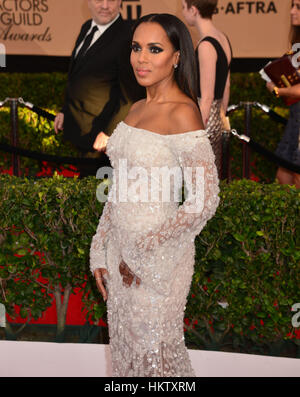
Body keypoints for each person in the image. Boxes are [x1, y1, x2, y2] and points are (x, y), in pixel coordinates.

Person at [89, 13, 220, 377]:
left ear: (177, 57)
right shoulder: (136, 109)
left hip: (160, 260)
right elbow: (119, 190)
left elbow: (203, 200)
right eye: (136, 48)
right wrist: (100, 249)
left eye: (155, 49)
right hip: (119, 259)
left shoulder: (183, 113)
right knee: (127, 357)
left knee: (156, 357)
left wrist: (143, 255)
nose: (141, 58)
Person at [54, 0, 144, 177]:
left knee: (100, 199)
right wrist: (65, 111)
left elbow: (130, 95)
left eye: (111, 0)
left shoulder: (127, 36)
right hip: (82, 133)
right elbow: (77, 76)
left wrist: (110, 133)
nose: (104, 5)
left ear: (120, 2)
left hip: (102, 140)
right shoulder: (87, 26)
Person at [181, 0, 232, 176]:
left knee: (200, 182)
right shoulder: (223, 38)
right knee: (211, 179)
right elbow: (226, 85)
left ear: (193, 10)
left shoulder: (206, 46)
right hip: (217, 118)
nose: (183, 12)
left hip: (204, 121)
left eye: (183, 7)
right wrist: (222, 118)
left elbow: (207, 97)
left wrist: (196, 133)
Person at [266, 0, 300, 189]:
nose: (292, 11)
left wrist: (277, 89)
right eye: (292, 6)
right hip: (295, 117)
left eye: (298, 7)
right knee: (284, 177)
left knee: (295, 179)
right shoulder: (297, 45)